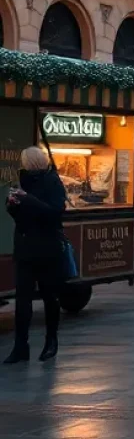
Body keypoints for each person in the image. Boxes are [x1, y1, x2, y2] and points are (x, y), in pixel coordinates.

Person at [4, 147, 67, 364]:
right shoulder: (21, 181)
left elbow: (55, 213)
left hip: (47, 248)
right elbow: (19, 215)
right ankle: (20, 346)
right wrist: (12, 206)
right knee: (22, 301)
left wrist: (28, 199)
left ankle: (51, 341)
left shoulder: (52, 181)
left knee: (50, 297)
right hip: (25, 248)